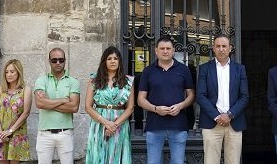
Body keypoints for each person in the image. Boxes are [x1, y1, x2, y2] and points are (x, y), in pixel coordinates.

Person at [137, 36, 195, 164]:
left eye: (168, 48)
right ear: (156, 50)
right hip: (154, 125)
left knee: (178, 162)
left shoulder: (183, 70)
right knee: (153, 162)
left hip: (178, 125)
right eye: (162, 48)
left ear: (173, 50)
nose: (165, 51)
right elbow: (140, 99)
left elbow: (191, 95)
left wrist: (180, 106)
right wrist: (156, 109)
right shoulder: (148, 71)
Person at [196, 34, 249, 164]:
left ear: (230, 48)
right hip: (211, 123)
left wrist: (230, 115)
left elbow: (244, 96)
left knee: (233, 161)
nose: (221, 49)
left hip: (234, 123)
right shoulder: (204, 69)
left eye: (224, 46)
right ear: (213, 48)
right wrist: (217, 116)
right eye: (218, 46)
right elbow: (200, 95)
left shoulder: (240, 69)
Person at [85, 46, 136, 164]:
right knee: (99, 155)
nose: (113, 61)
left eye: (115, 58)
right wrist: (106, 123)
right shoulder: (94, 80)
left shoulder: (128, 81)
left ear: (119, 61)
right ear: (104, 61)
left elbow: (130, 108)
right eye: (109, 58)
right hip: (99, 124)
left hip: (120, 125)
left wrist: (114, 125)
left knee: (117, 156)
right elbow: (88, 106)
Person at [36, 48, 82, 164]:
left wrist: (48, 103)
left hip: (65, 133)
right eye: (54, 60)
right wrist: (63, 100)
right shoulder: (41, 81)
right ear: (49, 61)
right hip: (44, 133)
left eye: (61, 60)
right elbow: (39, 103)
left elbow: (73, 107)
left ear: (65, 61)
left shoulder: (73, 82)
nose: (58, 63)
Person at [0, 58, 32, 163]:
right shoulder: (0, 89)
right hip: (1, 132)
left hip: (17, 133)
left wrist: (11, 131)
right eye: (6, 72)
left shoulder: (25, 90)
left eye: (12, 72)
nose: (9, 74)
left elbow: (26, 112)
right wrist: (0, 131)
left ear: (19, 72)